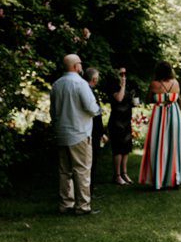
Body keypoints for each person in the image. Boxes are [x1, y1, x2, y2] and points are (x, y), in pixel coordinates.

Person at [50, 54, 101, 215]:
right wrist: (98, 109)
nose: (82, 66)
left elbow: (53, 111)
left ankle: (66, 204)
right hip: (79, 133)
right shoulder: (81, 84)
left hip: (61, 133)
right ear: (75, 66)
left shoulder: (56, 85)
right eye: (80, 63)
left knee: (64, 171)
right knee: (82, 170)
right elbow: (91, 108)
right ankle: (83, 206)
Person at [138, 61, 181, 190]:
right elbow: (177, 97)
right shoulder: (176, 83)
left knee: (157, 145)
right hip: (174, 114)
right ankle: (175, 179)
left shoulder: (154, 84)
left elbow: (148, 99)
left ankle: (158, 179)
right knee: (174, 145)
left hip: (159, 114)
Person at [102, 68, 135, 185]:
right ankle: (117, 175)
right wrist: (123, 85)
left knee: (126, 148)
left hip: (126, 121)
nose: (124, 76)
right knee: (118, 149)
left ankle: (124, 173)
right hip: (116, 122)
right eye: (121, 73)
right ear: (116, 74)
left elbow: (129, 101)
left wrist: (134, 102)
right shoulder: (113, 86)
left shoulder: (127, 87)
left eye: (125, 73)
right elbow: (119, 98)